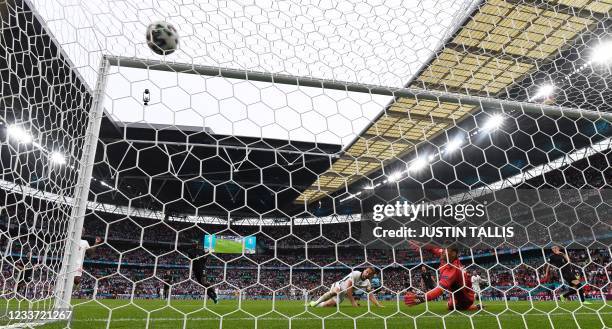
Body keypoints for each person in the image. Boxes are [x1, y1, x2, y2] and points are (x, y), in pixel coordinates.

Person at [404, 242, 479, 311]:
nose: (442, 251)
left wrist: (420, 299)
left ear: (453, 254)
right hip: (460, 294)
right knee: (450, 303)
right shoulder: (447, 257)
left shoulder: (452, 269)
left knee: (451, 307)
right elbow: (434, 249)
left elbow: (440, 289)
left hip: (464, 300)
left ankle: (472, 306)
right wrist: (422, 244)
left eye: (445, 250)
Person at [309, 267, 383, 308]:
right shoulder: (356, 274)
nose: (367, 274)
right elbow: (349, 288)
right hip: (338, 285)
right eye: (366, 271)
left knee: (328, 305)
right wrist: (353, 302)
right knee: (335, 291)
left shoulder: (367, 283)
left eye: (369, 274)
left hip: (343, 295)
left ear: (371, 276)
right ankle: (315, 303)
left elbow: (370, 295)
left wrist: (377, 305)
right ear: (364, 270)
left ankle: (313, 304)